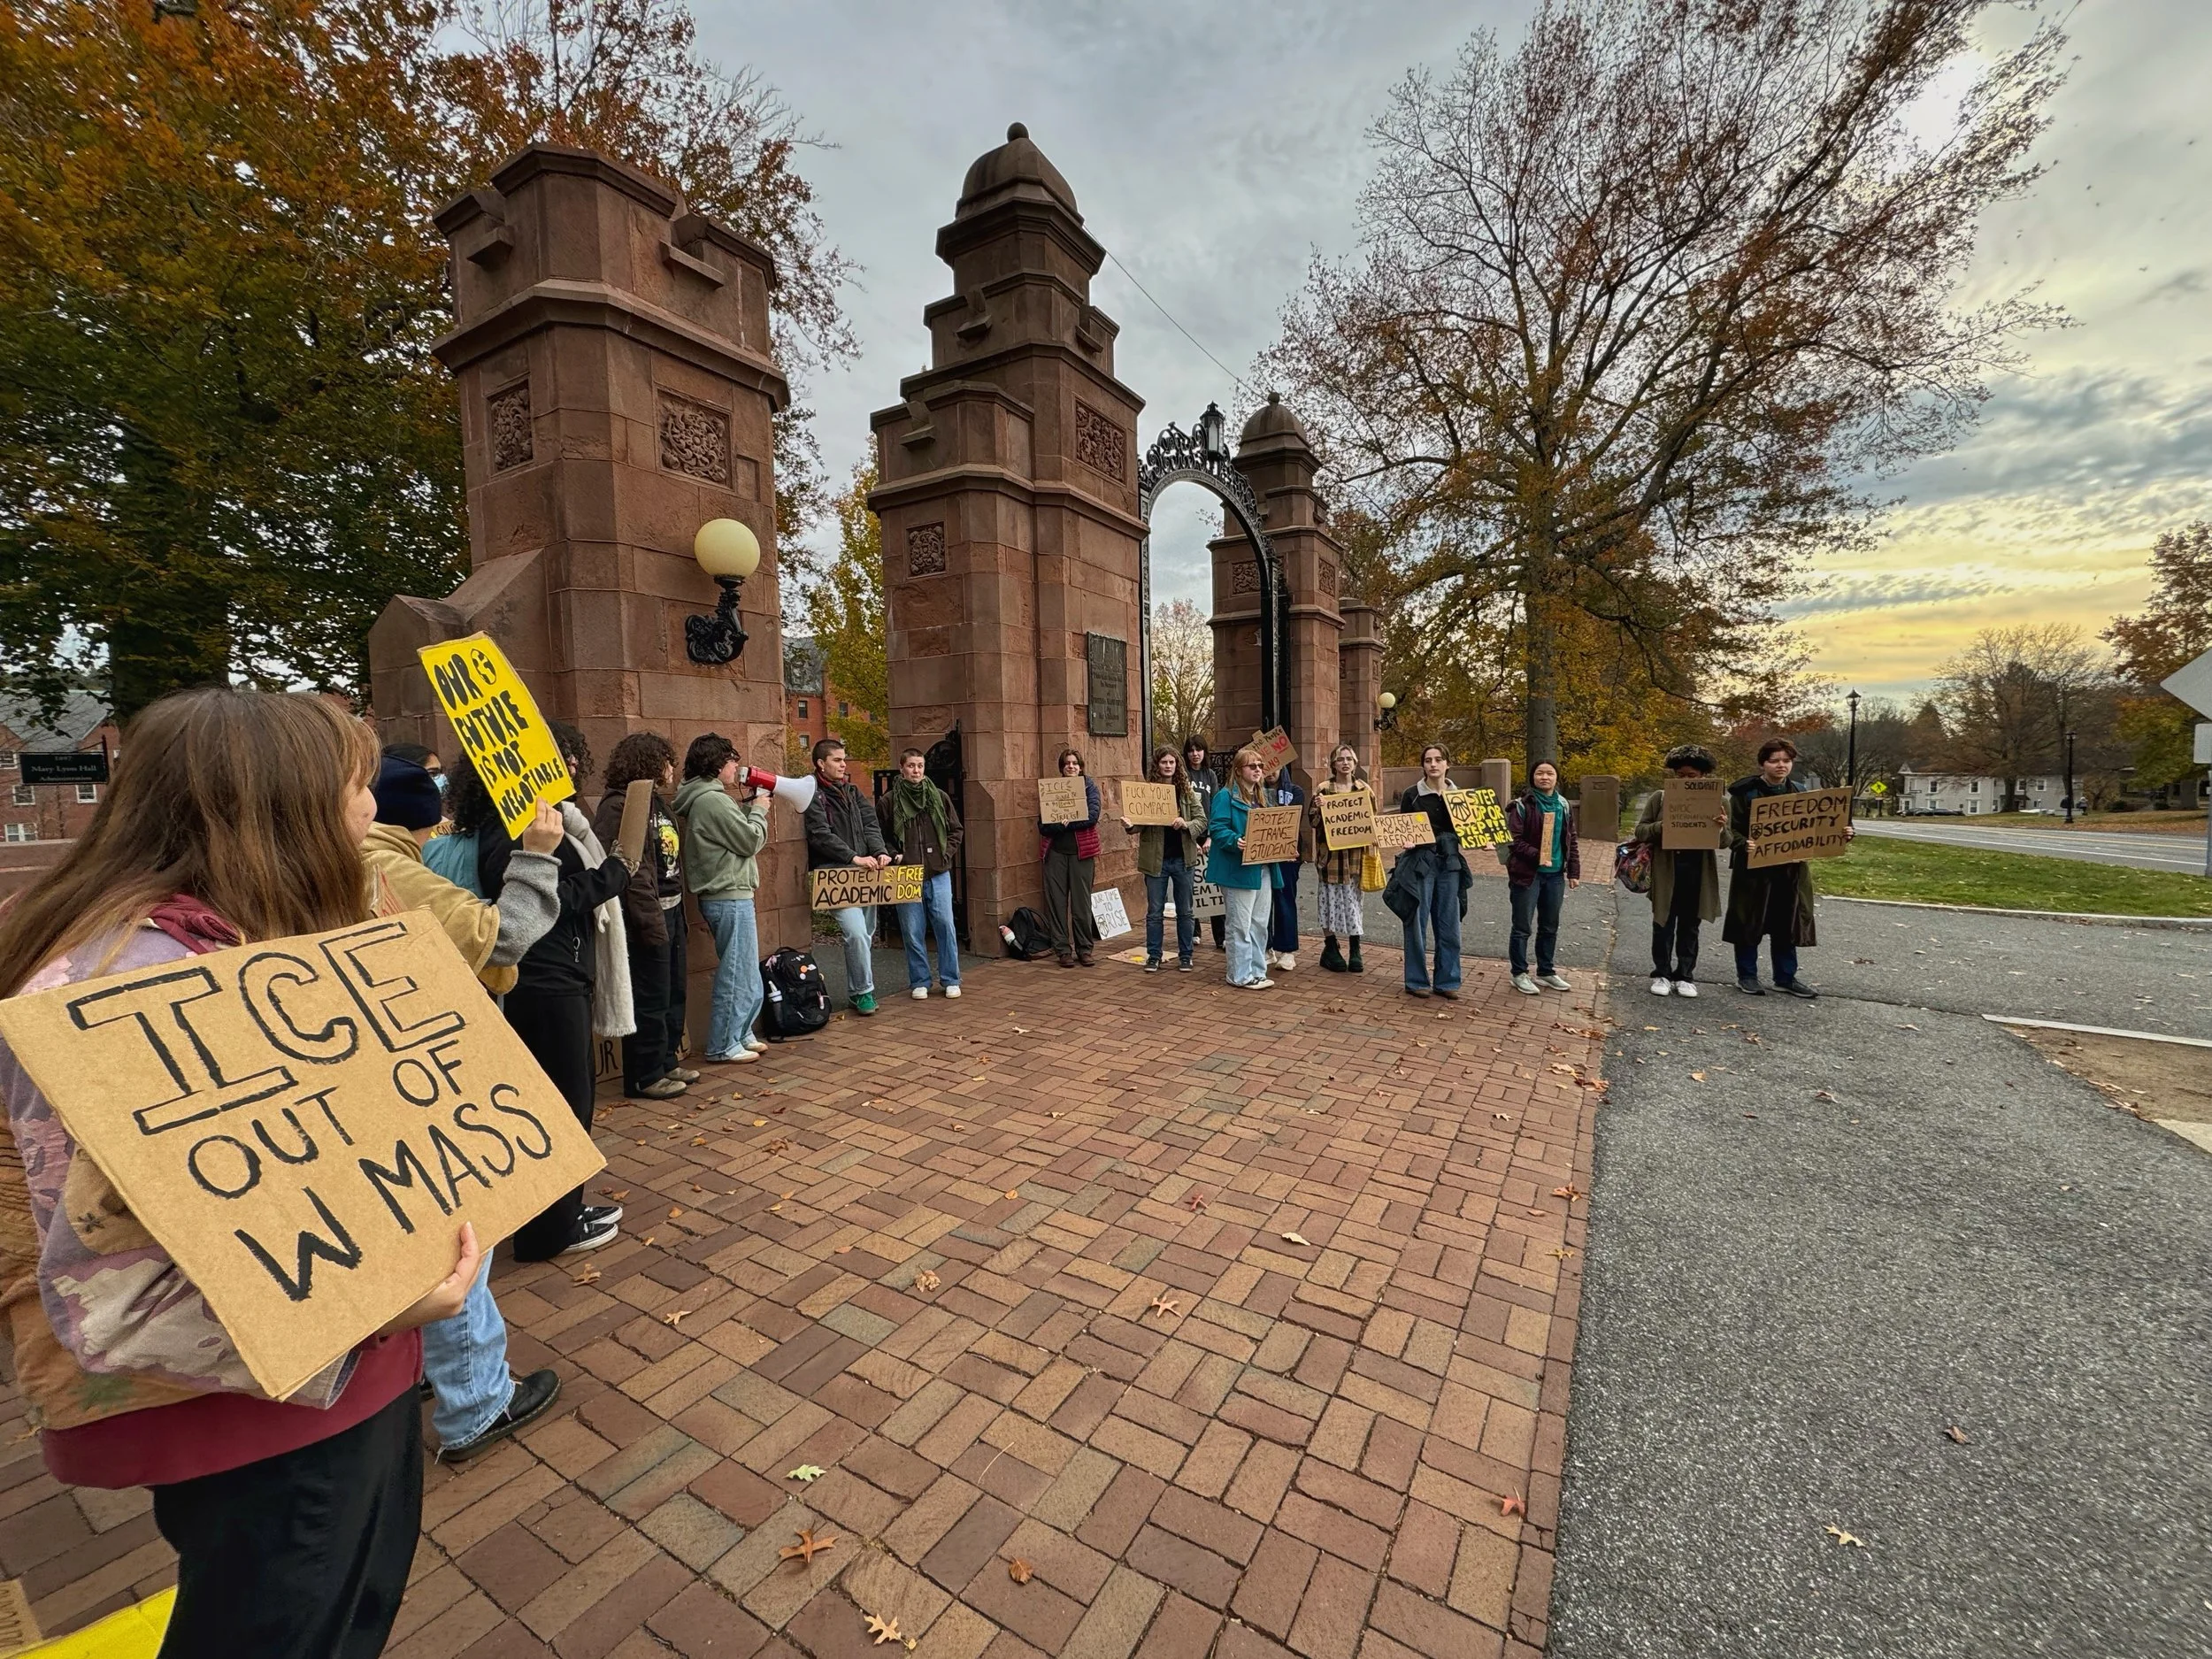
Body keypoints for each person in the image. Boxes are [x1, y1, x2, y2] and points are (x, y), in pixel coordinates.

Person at [0, 687, 480, 1658]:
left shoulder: (243, 937)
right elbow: (113, 1286)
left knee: (347, 1604)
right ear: (279, 807)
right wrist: (375, 1307)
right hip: (269, 1415)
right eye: (354, 785)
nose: (373, 807)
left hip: (347, 1379)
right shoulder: (126, 981)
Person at [359, 756, 566, 1462]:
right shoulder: (378, 865)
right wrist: (538, 856)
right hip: (415, 1066)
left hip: (387, 1067)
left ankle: (432, 1361)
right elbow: (497, 935)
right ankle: (477, 1400)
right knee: (456, 1221)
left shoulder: (336, 861)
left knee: (420, 1221)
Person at [460, 740, 634, 1260]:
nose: (571, 768)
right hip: (543, 980)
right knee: (564, 1104)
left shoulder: (541, 821)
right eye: (560, 759)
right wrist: (612, 876)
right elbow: (540, 903)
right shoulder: (512, 828)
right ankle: (547, 1232)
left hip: (560, 973)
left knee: (573, 1099)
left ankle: (563, 1212)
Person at [594, 734, 692, 1100]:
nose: (672, 770)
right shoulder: (619, 806)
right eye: (666, 762)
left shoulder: (656, 802)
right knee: (650, 996)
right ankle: (644, 1075)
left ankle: (666, 1060)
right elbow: (625, 868)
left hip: (672, 908)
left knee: (673, 991)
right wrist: (647, 916)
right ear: (649, 764)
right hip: (644, 916)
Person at [1725, 737, 1849, 998]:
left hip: (1790, 870)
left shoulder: (1801, 793)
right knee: (1748, 922)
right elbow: (1728, 829)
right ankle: (1747, 976)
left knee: (1786, 923)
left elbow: (1819, 827)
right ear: (1763, 763)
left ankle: (1785, 977)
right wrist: (1742, 843)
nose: (1781, 765)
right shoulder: (1744, 793)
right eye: (1775, 761)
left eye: (1786, 760)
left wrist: (1843, 833)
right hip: (1753, 870)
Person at [672, 734, 772, 1061]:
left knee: (745, 970)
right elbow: (749, 841)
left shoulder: (709, 798)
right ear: (716, 765)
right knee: (736, 971)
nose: (736, 767)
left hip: (728, 894)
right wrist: (758, 811)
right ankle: (723, 1044)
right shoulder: (712, 800)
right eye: (731, 760)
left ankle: (740, 1032)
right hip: (728, 895)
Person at [1632, 744, 1728, 998]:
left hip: (1697, 872)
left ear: (1703, 776)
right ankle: (1661, 973)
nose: (1686, 780)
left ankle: (1685, 975)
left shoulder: (1718, 801)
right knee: (1663, 923)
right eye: (1680, 775)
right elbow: (1640, 831)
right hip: (1667, 870)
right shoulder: (1660, 798)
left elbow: (1726, 842)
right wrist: (1663, 826)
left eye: (1691, 776)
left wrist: (1720, 827)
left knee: (1690, 926)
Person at [803, 738, 889, 1015]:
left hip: (865, 873)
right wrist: (853, 857)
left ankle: (856, 991)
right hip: (835, 874)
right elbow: (819, 834)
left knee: (865, 935)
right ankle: (864, 992)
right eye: (837, 760)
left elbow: (871, 825)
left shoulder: (853, 791)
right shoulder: (812, 793)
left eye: (844, 759)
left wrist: (880, 852)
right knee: (857, 933)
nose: (843, 765)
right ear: (821, 763)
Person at [1390, 744, 1471, 998]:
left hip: (1450, 864)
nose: (1433, 764)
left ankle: (1448, 982)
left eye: (1438, 759)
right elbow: (1404, 828)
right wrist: (1406, 840)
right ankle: (1416, 981)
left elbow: (1470, 831)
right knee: (1416, 921)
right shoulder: (1412, 794)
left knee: (1449, 923)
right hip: (1420, 864)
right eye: (1428, 760)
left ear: (1447, 764)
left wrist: (1483, 840)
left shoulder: (1461, 796)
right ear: (1423, 765)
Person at [883, 748, 964, 999]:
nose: (916, 770)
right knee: (912, 930)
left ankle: (951, 979)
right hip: (906, 874)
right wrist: (894, 854)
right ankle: (920, 980)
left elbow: (956, 830)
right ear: (902, 768)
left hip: (938, 873)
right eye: (911, 766)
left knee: (945, 925)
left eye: (920, 765)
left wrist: (945, 855)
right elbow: (880, 836)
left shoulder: (938, 796)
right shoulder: (889, 801)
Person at [1121, 746, 1205, 973]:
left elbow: (1202, 820)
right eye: (1164, 762)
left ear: (1177, 765)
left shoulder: (1186, 792)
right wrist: (1130, 825)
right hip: (1155, 861)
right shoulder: (1147, 792)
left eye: (1171, 762)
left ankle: (1186, 955)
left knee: (1185, 911)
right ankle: (1154, 956)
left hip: (1183, 860)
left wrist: (1186, 824)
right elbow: (1139, 824)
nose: (1168, 766)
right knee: (1154, 912)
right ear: (1157, 765)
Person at [1503, 761, 1582, 995]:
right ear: (1533, 777)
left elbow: (1571, 839)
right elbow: (1514, 842)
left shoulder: (1563, 805)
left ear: (1556, 778)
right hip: (1528, 875)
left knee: (1549, 926)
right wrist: (1538, 856)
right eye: (1539, 773)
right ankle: (1519, 973)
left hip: (1555, 876)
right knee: (1522, 927)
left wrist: (1574, 871)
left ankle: (1546, 971)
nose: (1544, 777)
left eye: (1549, 773)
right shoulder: (1521, 806)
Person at [1206, 745, 1278, 990]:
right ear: (1238, 770)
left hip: (1262, 868)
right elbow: (1217, 828)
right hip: (1237, 869)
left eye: (1260, 766)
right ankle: (1239, 975)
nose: (1258, 769)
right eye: (1252, 766)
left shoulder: (1264, 797)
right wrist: (1235, 840)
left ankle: (1257, 971)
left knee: (1259, 923)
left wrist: (1284, 848)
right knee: (1240, 924)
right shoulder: (1225, 796)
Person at [1308, 743, 1371, 973]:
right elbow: (1313, 822)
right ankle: (1331, 946)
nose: (1345, 763)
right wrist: (1318, 808)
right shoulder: (1324, 789)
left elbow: (1372, 821)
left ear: (1355, 764)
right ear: (1333, 764)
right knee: (1328, 902)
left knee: (1354, 903)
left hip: (1355, 858)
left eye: (1349, 759)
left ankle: (1355, 948)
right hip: (1331, 859)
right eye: (1340, 759)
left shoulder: (1364, 789)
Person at [1040, 748, 1102, 969]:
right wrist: (1059, 824)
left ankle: (1084, 949)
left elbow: (1092, 816)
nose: (1071, 766)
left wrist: (1070, 822)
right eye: (1067, 763)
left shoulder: (1089, 787)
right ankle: (1063, 950)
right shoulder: (1051, 790)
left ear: (1080, 767)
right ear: (1062, 767)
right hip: (1055, 853)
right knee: (1056, 903)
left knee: (1081, 904)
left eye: (1075, 763)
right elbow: (1043, 825)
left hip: (1081, 854)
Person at [1263, 766, 1310, 972]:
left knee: (1285, 900)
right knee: (1262, 902)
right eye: (1264, 766)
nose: (1269, 771)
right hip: (1262, 851)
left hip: (1287, 853)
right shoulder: (1253, 793)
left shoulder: (1295, 792)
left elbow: (1293, 821)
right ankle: (1266, 947)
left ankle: (1288, 951)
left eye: (1273, 766)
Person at [1182, 738, 1225, 953]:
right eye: (1191, 750)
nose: (1195, 754)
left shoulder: (1210, 775)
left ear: (1204, 752)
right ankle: (1194, 931)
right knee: (1192, 887)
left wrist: (1210, 838)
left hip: (1209, 838)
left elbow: (1216, 807)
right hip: (1188, 836)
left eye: (1198, 749)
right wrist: (1192, 838)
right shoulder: (1182, 775)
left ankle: (1221, 937)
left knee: (1213, 887)